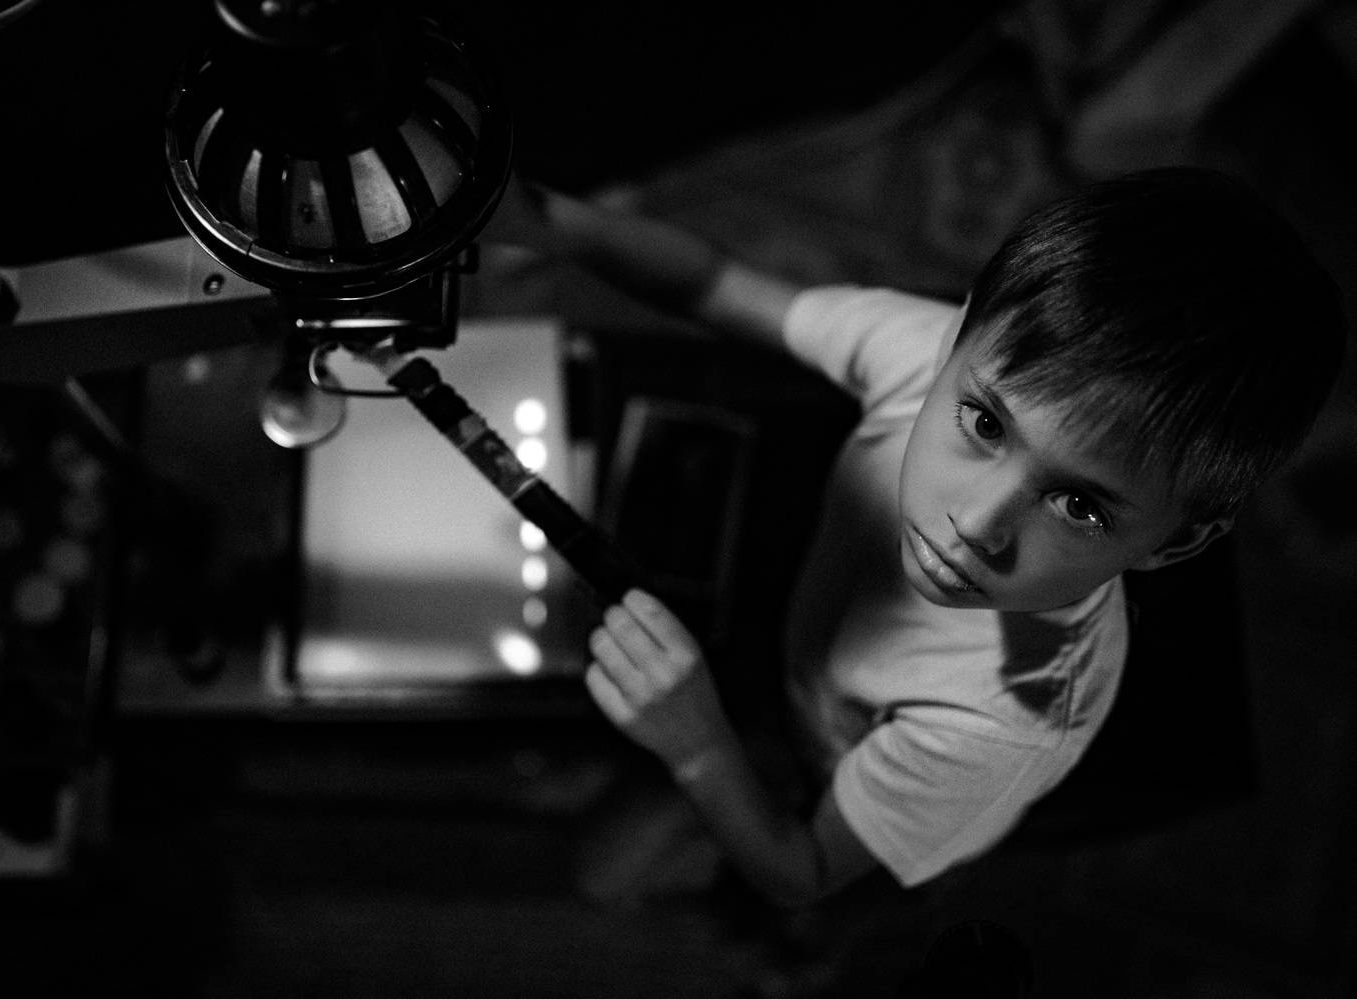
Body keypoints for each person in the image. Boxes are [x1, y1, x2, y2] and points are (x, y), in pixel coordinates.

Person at [482, 166, 1347, 905]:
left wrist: (699, 744)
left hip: (833, 776)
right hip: (807, 655)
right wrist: (554, 222)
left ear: (1171, 545)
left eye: (1081, 507)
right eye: (985, 425)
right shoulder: (932, 348)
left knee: (605, 871)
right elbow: (714, 284)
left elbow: (802, 869)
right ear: (956, 337)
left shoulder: (999, 726)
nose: (974, 526)